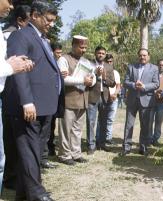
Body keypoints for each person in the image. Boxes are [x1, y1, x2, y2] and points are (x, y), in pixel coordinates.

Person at [3, 1, 62, 200]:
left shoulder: (43, 39)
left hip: (44, 106)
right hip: (28, 107)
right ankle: (37, 193)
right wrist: (27, 101)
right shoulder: (20, 35)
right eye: (48, 20)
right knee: (29, 152)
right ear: (35, 15)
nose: (51, 24)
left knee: (35, 151)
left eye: (54, 21)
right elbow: (18, 70)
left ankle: (24, 193)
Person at [0, 0, 35, 194]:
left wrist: (12, 63)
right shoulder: (12, 34)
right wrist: (9, 67)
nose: (11, 6)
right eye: (8, 1)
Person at [57, 35, 95, 165]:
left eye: (85, 47)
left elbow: (92, 77)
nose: (83, 50)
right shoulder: (63, 59)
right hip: (68, 99)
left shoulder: (86, 61)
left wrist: (91, 81)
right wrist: (82, 80)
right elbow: (63, 79)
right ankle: (64, 155)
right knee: (66, 129)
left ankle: (76, 153)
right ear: (73, 45)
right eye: (81, 47)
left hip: (83, 99)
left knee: (77, 129)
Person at [122, 48, 159, 156]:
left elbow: (156, 84)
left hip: (146, 100)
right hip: (132, 99)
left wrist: (144, 86)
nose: (142, 57)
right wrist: (134, 85)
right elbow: (126, 82)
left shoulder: (154, 68)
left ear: (148, 56)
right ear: (138, 56)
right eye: (140, 55)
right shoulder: (131, 67)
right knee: (129, 125)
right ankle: (126, 147)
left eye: (144, 55)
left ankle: (143, 147)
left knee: (145, 126)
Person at [86, 46, 115, 154]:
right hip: (92, 96)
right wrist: (95, 74)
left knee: (103, 122)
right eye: (99, 53)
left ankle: (101, 144)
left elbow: (112, 83)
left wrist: (104, 78)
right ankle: (90, 145)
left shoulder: (109, 66)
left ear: (105, 54)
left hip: (105, 97)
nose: (101, 55)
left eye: (103, 53)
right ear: (95, 53)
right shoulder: (89, 64)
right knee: (91, 121)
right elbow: (85, 77)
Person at [95, 53, 120, 145]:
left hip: (113, 99)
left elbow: (118, 86)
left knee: (110, 119)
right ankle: (98, 138)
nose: (109, 63)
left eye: (111, 61)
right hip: (104, 98)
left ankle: (108, 138)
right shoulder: (99, 71)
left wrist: (115, 94)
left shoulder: (115, 72)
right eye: (107, 61)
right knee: (100, 119)